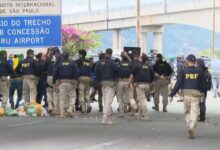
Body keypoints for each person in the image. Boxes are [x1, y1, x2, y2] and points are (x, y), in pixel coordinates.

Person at [169, 54, 204, 139]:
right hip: (196, 95)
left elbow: (178, 84)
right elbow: (202, 85)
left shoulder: (183, 71)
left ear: (188, 62)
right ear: (195, 62)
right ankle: (192, 126)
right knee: (194, 112)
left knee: (187, 112)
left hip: (186, 95)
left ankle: (189, 126)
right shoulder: (199, 71)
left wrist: (171, 94)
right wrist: (203, 94)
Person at [95, 48, 118, 124]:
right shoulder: (112, 62)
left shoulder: (99, 62)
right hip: (111, 83)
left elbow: (96, 72)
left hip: (102, 83)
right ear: (111, 53)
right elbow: (118, 71)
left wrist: (99, 81)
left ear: (105, 53)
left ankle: (109, 118)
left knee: (106, 100)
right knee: (108, 101)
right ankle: (105, 116)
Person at [53, 51, 80, 117]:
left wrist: (54, 82)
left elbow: (55, 72)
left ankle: (62, 113)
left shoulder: (59, 63)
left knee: (62, 98)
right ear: (68, 56)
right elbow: (78, 71)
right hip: (71, 82)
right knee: (72, 96)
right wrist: (75, 79)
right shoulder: (72, 62)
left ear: (63, 56)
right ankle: (70, 109)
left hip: (62, 82)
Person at [129, 53, 154, 120]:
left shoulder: (137, 66)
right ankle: (139, 114)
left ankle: (145, 115)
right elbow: (153, 75)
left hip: (139, 85)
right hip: (147, 85)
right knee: (142, 99)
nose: (139, 58)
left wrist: (129, 83)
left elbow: (132, 75)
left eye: (140, 57)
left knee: (142, 100)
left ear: (141, 58)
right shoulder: (149, 66)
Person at [116, 51, 137, 117]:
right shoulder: (131, 64)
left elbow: (117, 72)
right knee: (130, 97)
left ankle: (121, 113)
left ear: (121, 57)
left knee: (119, 97)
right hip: (128, 81)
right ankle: (135, 108)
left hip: (121, 81)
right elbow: (133, 72)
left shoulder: (119, 63)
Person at [46, 47, 61, 114]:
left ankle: (50, 106)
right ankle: (56, 108)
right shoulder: (60, 58)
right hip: (57, 77)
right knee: (56, 92)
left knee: (49, 92)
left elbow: (44, 67)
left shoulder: (48, 58)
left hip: (49, 76)